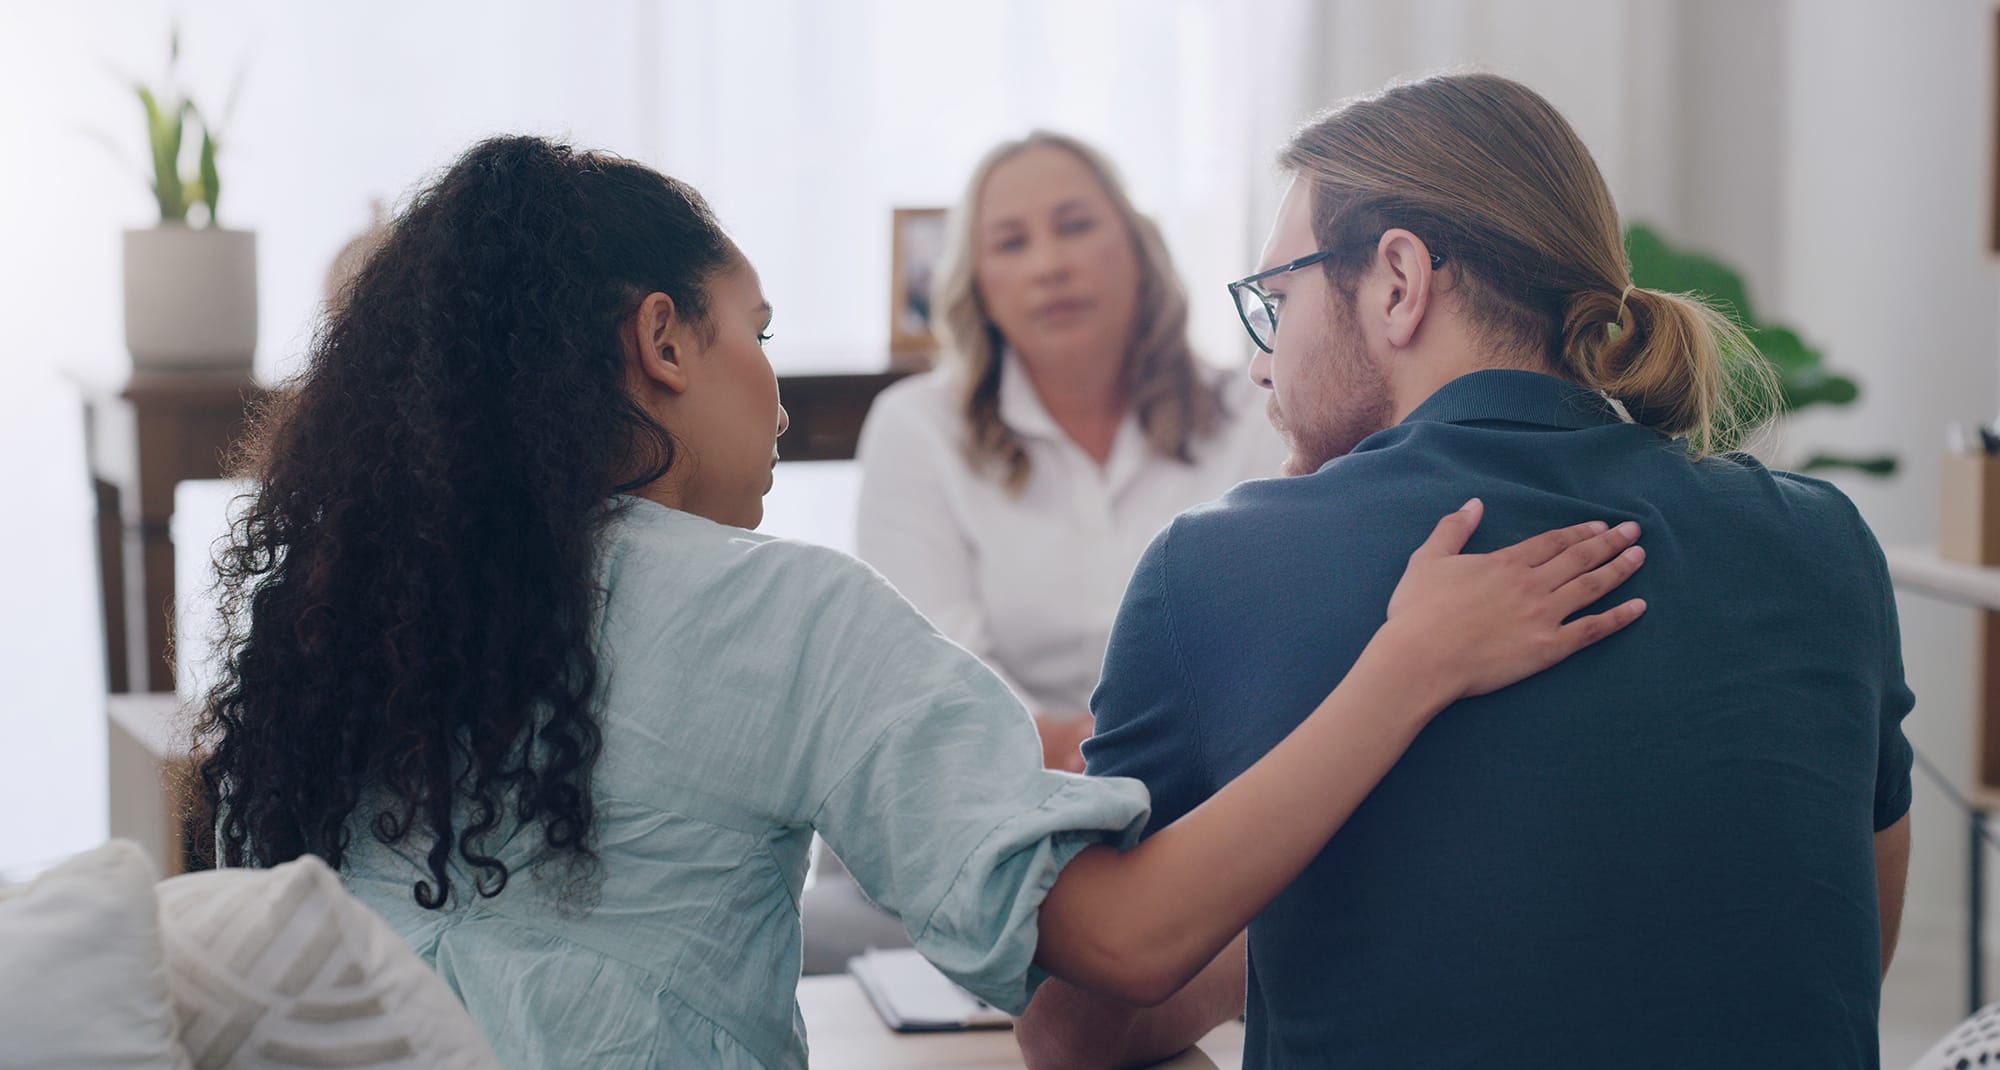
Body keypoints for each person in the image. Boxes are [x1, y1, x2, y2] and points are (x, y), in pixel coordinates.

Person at [192, 134, 1647, 1070]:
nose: (775, 394)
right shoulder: (783, 615)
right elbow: (1124, 942)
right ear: (660, 343)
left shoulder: (330, 619)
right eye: (755, 334)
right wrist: (1409, 664)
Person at [1017, 72, 1915, 1069]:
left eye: (1275, 300)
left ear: (1397, 280)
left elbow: (1073, 1028)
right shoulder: (1822, 542)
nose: (1262, 365)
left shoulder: (1214, 566)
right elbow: (1835, 954)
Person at [856, 132, 1286, 773]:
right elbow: (930, 660)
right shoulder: (916, 427)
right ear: (978, 286)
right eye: (1010, 242)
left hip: (1225, 773)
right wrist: (1064, 749)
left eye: (1075, 226)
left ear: (1140, 250)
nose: (1049, 264)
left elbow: (1279, 632)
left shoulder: (1255, 409)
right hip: (997, 780)